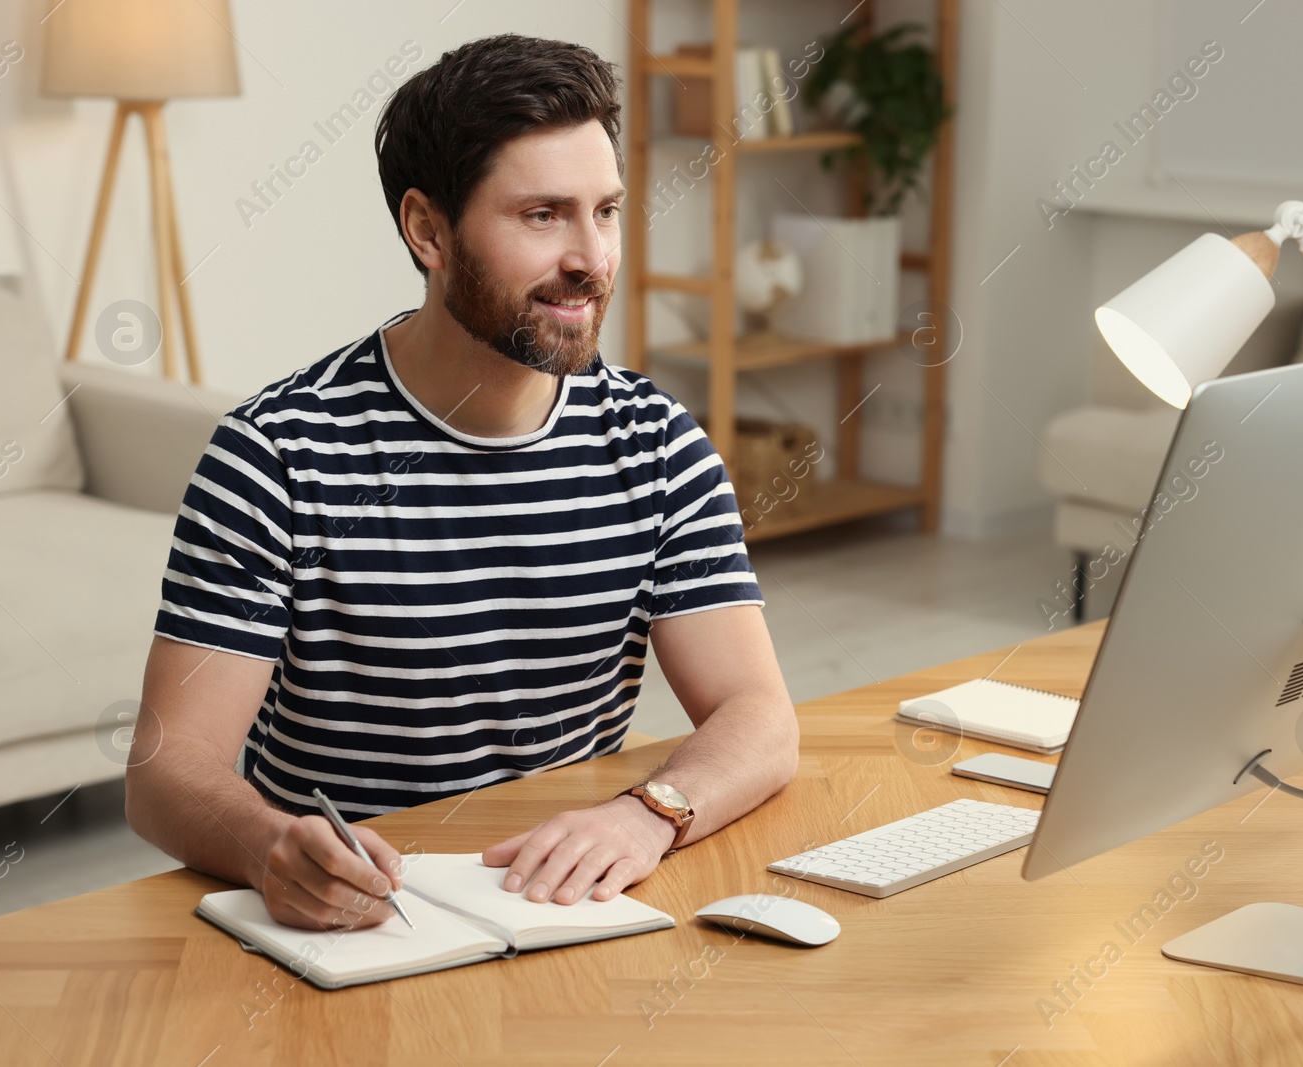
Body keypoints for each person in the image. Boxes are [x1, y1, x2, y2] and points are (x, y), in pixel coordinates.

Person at [125, 34, 799, 931]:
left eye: (606, 211)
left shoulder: (658, 444)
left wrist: (649, 815)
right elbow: (166, 770)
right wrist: (264, 843)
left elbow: (759, 716)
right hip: (357, 924)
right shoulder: (276, 455)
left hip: (561, 904)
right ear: (427, 229)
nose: (592, 258)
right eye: (542, 215)